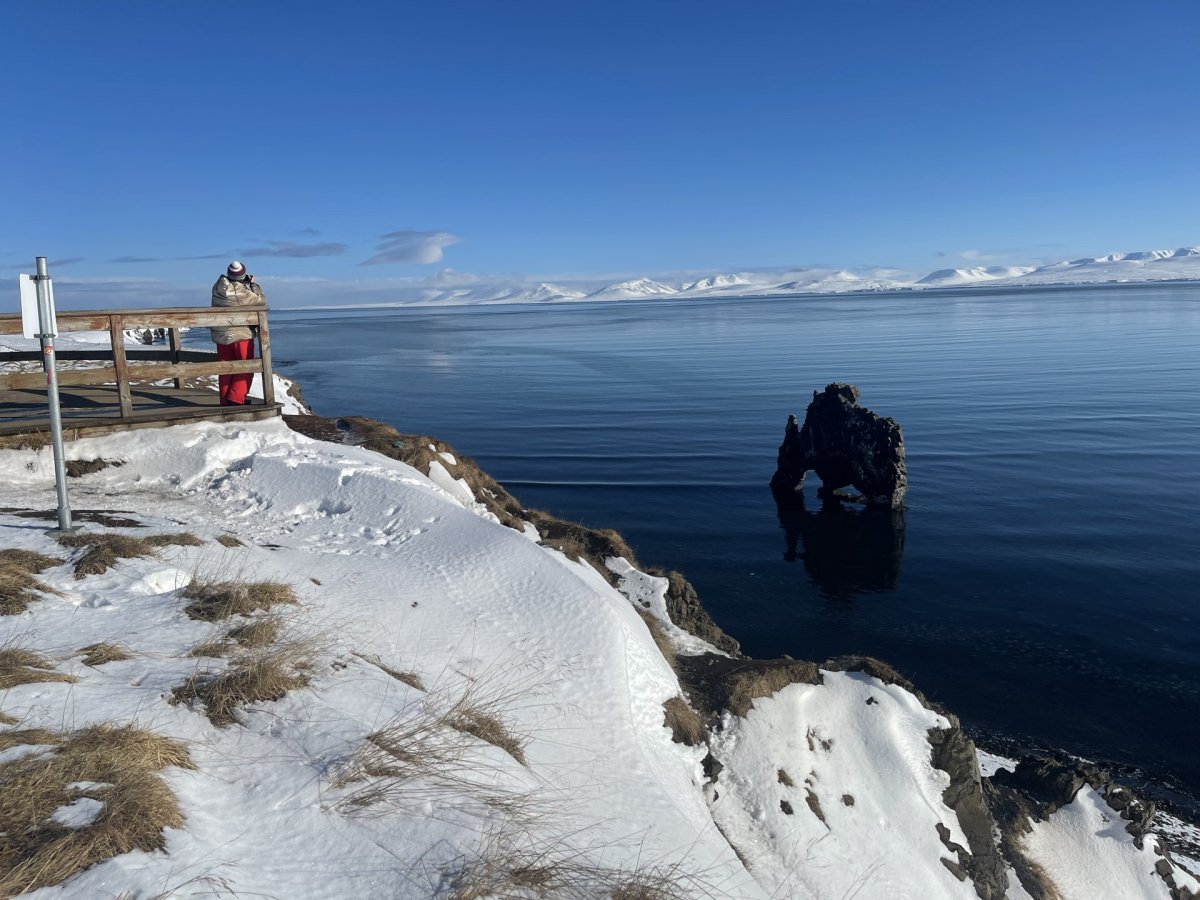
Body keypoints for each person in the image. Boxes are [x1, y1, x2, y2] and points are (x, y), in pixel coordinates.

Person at [210, 260, 266, 406]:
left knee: (226, 368)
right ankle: (235, 399)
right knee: (246, 366)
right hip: (240, 334)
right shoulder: (240, 291)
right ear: (242, 276)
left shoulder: (217, 286)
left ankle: (225, 399)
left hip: (222, 334)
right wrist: (253, 284)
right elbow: (260, 301)